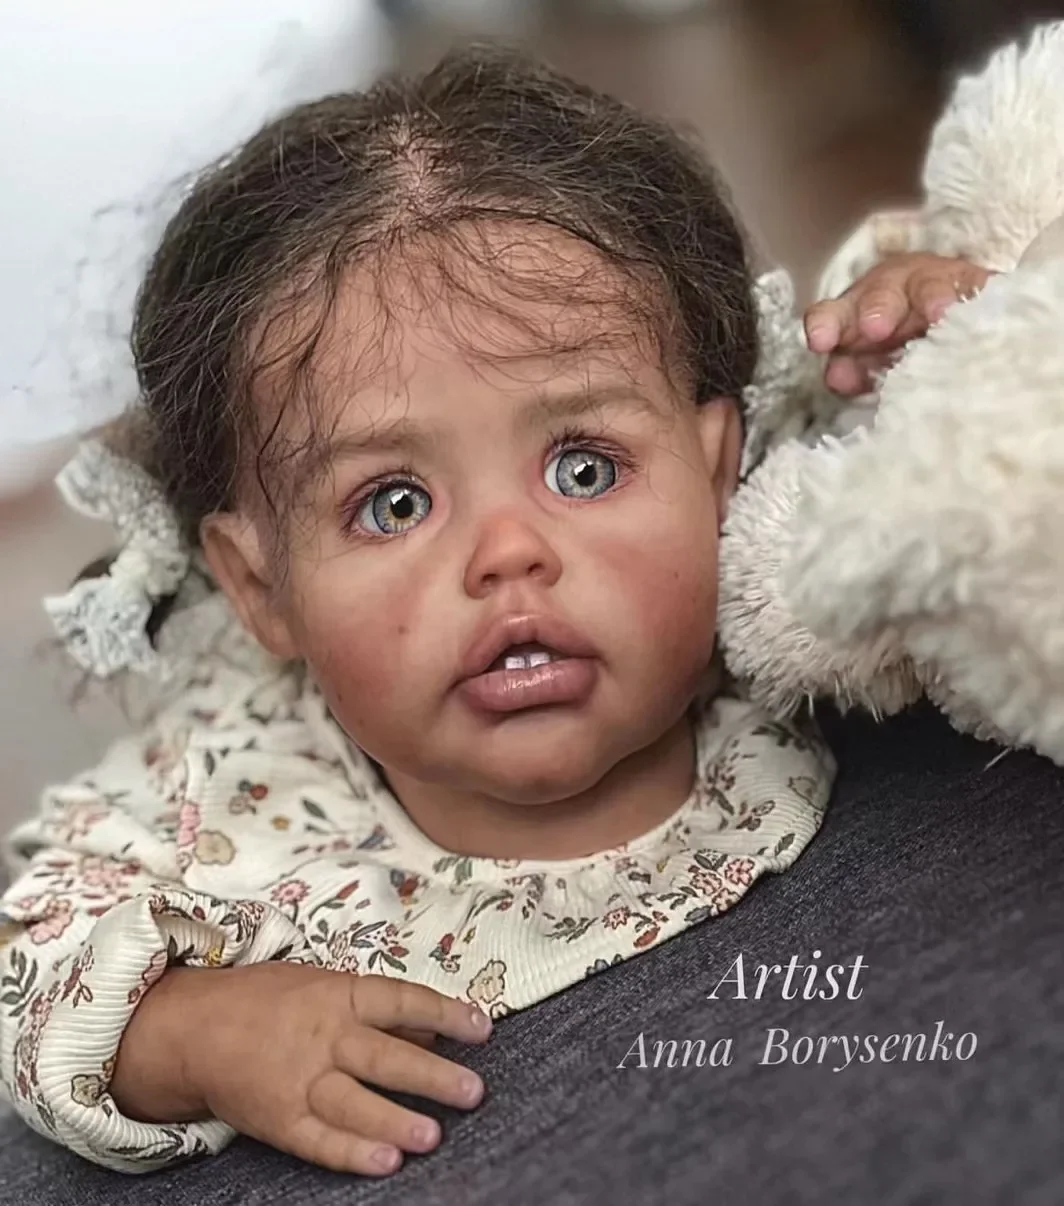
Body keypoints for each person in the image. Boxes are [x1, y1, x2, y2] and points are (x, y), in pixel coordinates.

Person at [0, 44, 839, 1179]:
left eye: (582, 468)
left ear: (716, 468)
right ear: (260, 589)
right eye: (393, 505)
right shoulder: (238, 802)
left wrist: (938, 308)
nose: (506, 556)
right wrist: (188, 1034)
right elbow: (29, 967)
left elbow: (953, 465)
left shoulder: (806, 619)